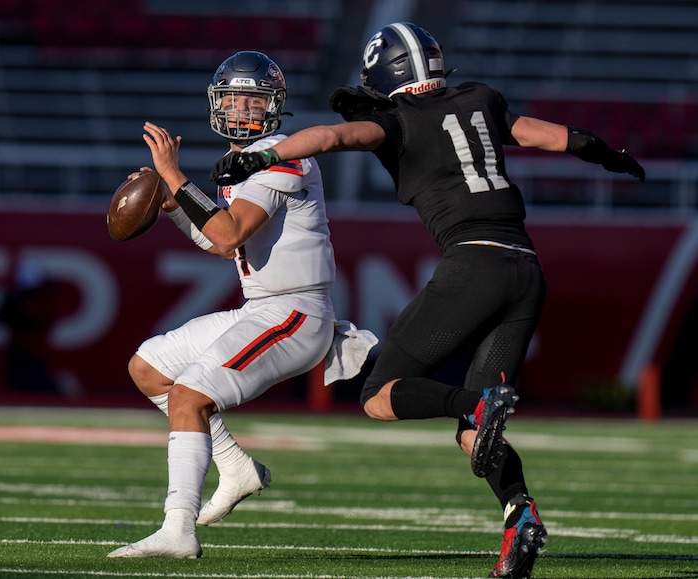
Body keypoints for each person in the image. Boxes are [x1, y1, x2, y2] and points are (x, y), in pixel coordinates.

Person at [209, 23, 645, 578]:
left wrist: (257, 160)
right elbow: (555, 136)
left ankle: (476, 408)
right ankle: (520, 514)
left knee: (378, 396)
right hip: (527, 269)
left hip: (473, 265)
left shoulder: (396, 121)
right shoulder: (482, 100)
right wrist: (612, 156)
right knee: (476, 434)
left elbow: (330, 138)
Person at [108, 51, 375, 559]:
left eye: (252, 98)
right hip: (263, 309)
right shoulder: (240, 165)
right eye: (232, 97)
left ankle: (178, 529)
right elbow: (224, 245)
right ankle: (235, 468)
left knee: (188, 396)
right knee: (147, 368)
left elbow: (230, 229)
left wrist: (174, 176)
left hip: (296, 313)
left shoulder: (281, 153)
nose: (241, 108)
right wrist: (173, 207)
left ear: (273, 106)